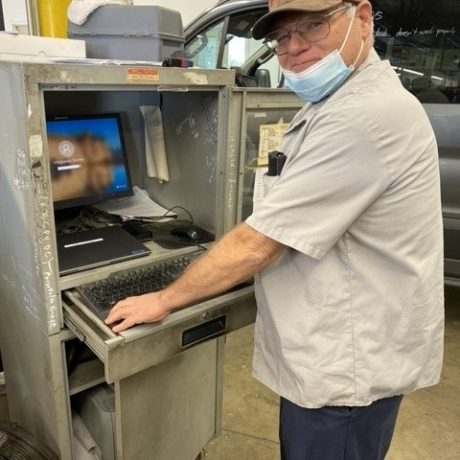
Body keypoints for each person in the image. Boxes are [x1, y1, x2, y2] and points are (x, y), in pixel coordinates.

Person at [106, 1, 444, 459]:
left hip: (345, 370)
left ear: (362, 18)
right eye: (282, 37)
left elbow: (259, 244)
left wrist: (163, 299)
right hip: (339, 345)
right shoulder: (337, 101)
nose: (295, 47)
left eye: (313, 25)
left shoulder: (361, 117)